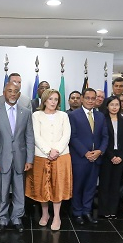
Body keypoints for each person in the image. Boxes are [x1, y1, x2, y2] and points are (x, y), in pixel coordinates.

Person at [0, 82, 34, 233]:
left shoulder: (26, 112)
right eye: (10, 91)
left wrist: (29, 159)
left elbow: (29, 137)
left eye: (16, 91)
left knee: (19, 191)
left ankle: (16, 218)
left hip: (21, 159)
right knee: (2, 190)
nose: (13, 94)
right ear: (4, 93)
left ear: (19, 94)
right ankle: (2, 218)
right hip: (2, 159)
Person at [27, 89, 72, 231]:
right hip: (41, 155)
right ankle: (45, 214)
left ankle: (57, 216)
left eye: (56, 99)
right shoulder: (36, 115)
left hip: (61, 155)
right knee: (42, 186)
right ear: (44, 100)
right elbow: (36, 136)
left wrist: (56, 150)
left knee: (57, 186)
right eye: (50, 99)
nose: (53, 102)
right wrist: (48, 151)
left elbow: (67, 135)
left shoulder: (63, 115)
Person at [68, 88, 108, 225]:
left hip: (96, 158)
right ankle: (77, 213)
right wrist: (85, 153)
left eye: (93, 98)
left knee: (91, 187)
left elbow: (105, 137)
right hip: (80, 158)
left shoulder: (100, 116)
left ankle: (87, 211)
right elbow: (72, 137)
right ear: (82, 99)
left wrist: (99, 151)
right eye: (88, 98)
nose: (91, 101)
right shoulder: (73, 115)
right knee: (78, 186)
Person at [97, 96, 123, 219]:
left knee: (116, 184)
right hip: (106, 155)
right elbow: (102, 139)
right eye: (112, 105)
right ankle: (103, 211)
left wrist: (121, 156)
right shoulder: (102, 120)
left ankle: (113, 210)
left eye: (117, 105)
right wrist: (111, 155)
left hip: (120, 156)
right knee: (105, 184)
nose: (115, 107)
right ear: (107, 106)